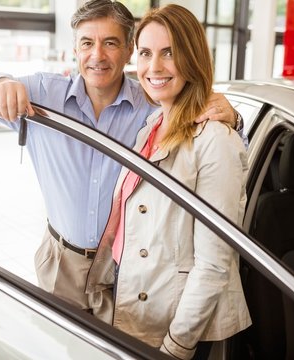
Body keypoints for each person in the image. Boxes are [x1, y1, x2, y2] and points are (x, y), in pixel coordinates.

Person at [0, 0, 241, 319]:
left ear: (130, 49)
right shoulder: (40, 95)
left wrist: (233, 118)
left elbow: (220, 159)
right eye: (87, 43)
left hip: (126, 269)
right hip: (59, 262)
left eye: (110, 43)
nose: (97, 56)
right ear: (75, 48)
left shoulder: (154, 106)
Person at [84, 4, 251, 359]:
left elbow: (214, 263)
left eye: (169, 53)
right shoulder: (152, 126)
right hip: (141, 308)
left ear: (192, 58)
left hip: (182, 330)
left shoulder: (215, 140)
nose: (154, 67)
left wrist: (176, 347)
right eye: (145, 53)